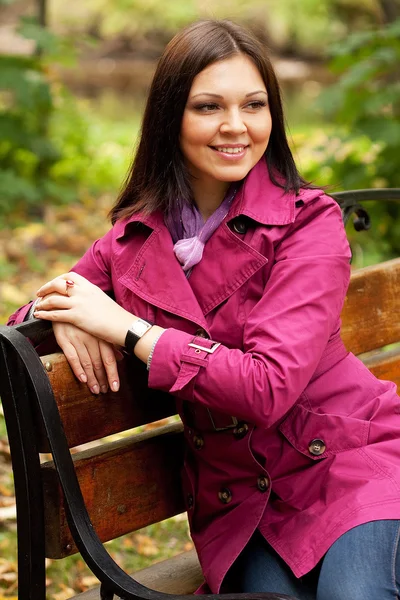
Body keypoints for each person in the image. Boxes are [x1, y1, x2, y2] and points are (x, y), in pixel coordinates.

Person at [7, 19, 400, 600]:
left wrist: (129, 330)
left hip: (348, 468)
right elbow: (25, 324)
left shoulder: (307, 224)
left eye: (254, 105)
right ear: (171, 118)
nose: (236, 127)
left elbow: (267, 387)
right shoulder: (133, 241)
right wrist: (63, 313)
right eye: (209, 106)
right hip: (242, 505)